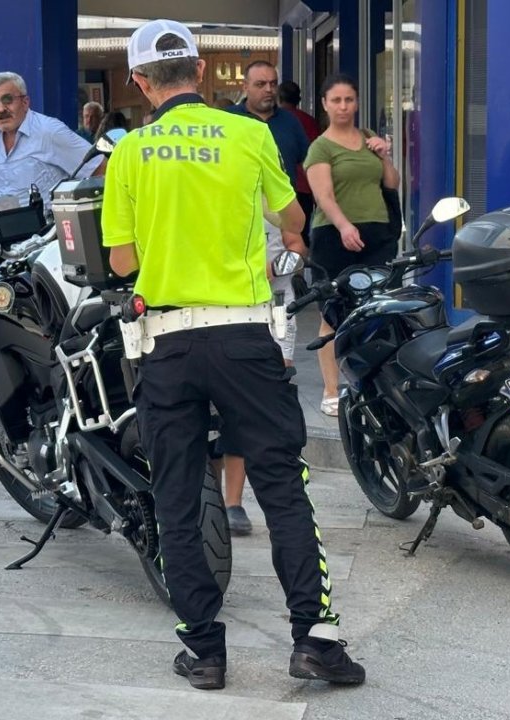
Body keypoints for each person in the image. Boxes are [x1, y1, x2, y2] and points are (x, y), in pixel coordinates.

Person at [102, 18, 365, 691]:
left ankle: (205, 651)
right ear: (200, 72)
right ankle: (315, 639)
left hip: (168, 342)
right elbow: (295, 220)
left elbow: (122, 259)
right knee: (283, 485)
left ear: (139, 81)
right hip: (246, 336)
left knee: (179, 496)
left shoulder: (129, 153)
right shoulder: (249, 135)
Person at [220, 60, 312, 536]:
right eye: (260, 83)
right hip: (218, 305)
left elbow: (296, 236)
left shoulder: (277, 185)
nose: (269, 90)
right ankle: (218, 498)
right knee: (220, 404)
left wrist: (287, 262)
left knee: (265, 400)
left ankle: (247, 500)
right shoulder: (217, 191)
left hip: (272, 304)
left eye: (274, 84)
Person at [305, 74, 399, 416]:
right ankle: (332, 389)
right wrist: (344, 225)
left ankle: (374, 384)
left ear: (356, 103)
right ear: (326, 105)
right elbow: (323, 195)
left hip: (377, 234)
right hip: (334, 235)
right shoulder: (321, 147)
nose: (343, 106)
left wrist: (385, 155)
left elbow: (391, 183)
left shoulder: (369, 138)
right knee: (333, 312)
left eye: (349, 100)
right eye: (337, 101)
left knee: (378, 309)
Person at [0, 72, 105, 209]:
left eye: (7, 100)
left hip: (50, 228)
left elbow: (100, 167)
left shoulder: (49, 132)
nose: (0, 109)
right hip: (9, 227)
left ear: (25, 102)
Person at [278, 80, 321, 234]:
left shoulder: (277, 121)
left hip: (282, 187)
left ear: (279, 98)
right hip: (305, 186)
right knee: (301, 234)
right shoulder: (309, 121)